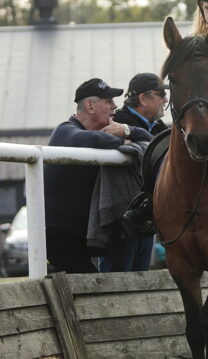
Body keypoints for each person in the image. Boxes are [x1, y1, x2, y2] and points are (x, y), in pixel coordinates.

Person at [44, 78, 152, 274]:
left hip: (84, 234)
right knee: (95, 290)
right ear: (90, 105)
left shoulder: (87, 133)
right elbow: (95, 139)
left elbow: (151, 142)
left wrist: (127, 130)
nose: (115, 106)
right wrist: (127, 142)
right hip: (61, 237)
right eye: (108, 101)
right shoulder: (64, 131)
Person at [97, 73, 170, 273]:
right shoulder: (116, 121)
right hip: (121, 221)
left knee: (140, 281)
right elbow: (157, 148)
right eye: (160, 94)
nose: (165, 100)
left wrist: (132, 133)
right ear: (144, 98)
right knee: (115, 282)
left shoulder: (156, 126)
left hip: (146, 222)